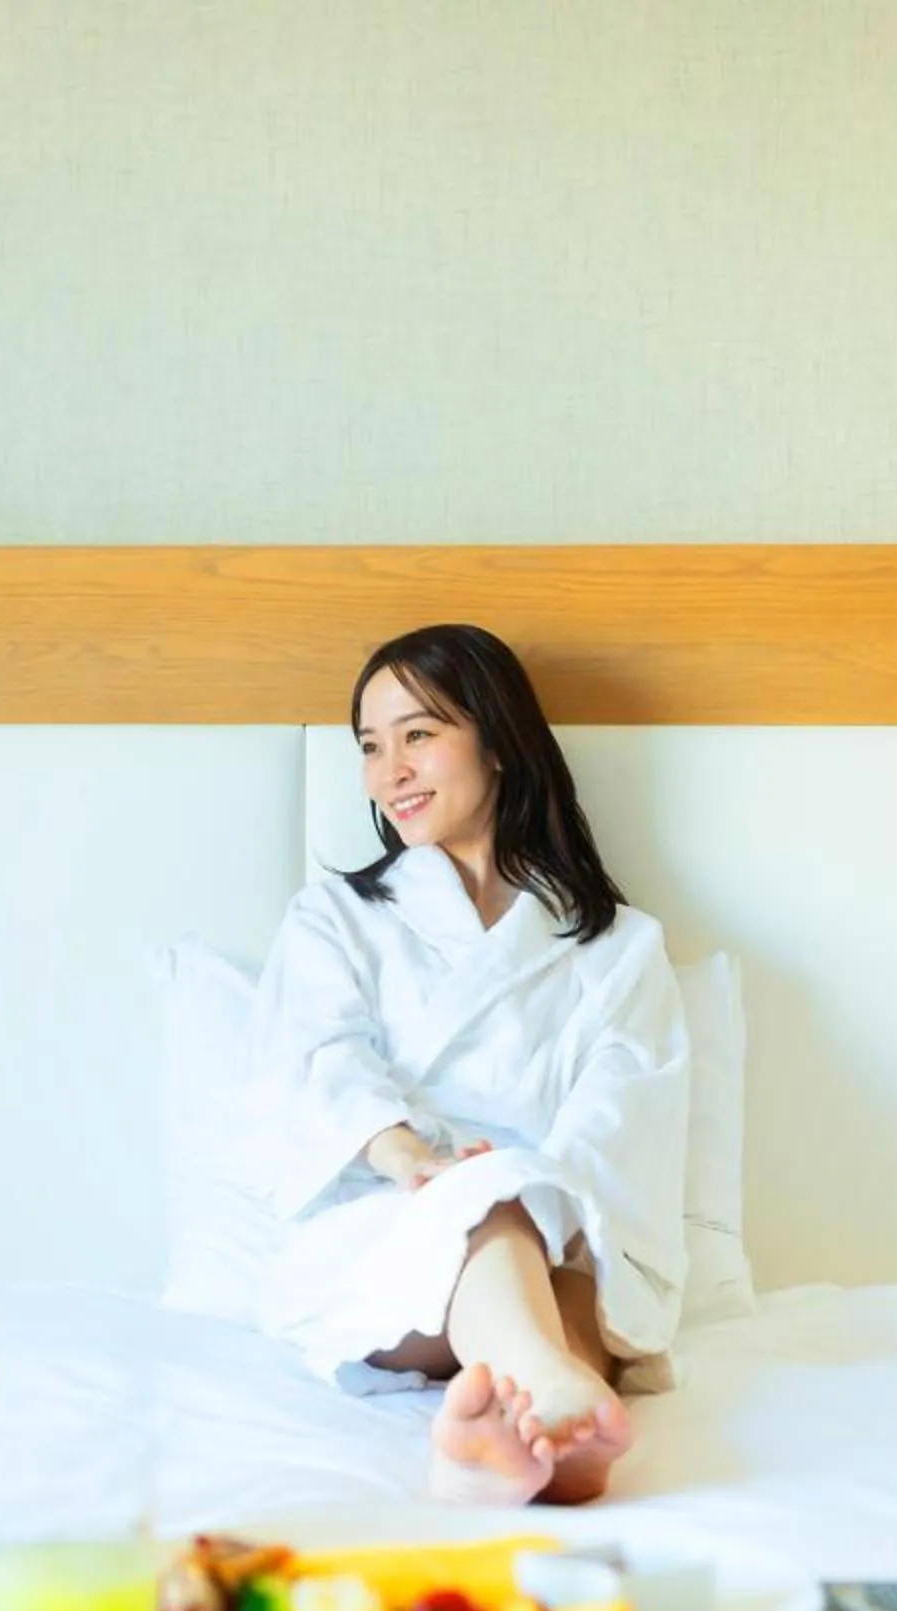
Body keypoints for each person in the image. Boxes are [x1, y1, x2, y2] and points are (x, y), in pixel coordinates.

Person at [252, 624, 691, 1505]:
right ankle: (558, 1390)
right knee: (488, 1210)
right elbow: (319, 1061)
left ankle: (517, 1445)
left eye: (418, 735)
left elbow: (623, 1116)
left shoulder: (619, 947)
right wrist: (415, 1159)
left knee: (539, 1237)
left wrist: (532, 1192)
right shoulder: (334, 919)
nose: (389, 773)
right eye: (371, 747)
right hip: (383, 1233)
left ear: (496, 739)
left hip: (570, 1239)